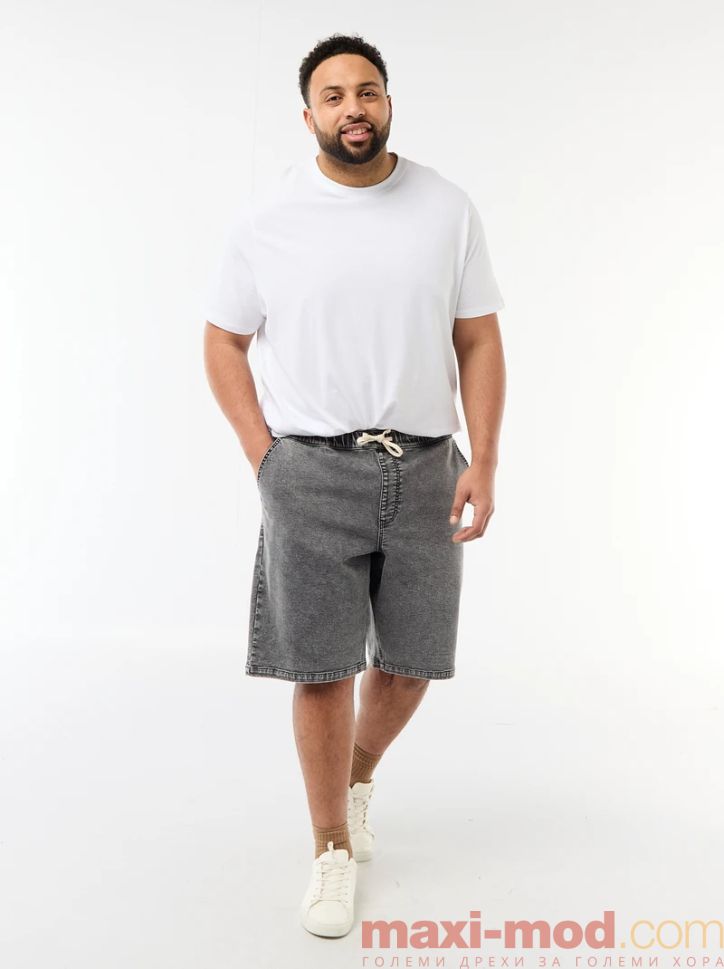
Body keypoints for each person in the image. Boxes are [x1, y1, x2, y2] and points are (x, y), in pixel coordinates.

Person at [202, 32, 506, 939]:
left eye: (367, 91)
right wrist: (265, 457)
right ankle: (330, 843)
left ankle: (357, 774)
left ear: (388, 103)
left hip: (426, 466)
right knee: (324, 670)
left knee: (412, 663)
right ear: (309, 117)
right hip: (309, 471)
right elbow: (222, 340)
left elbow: (479, 337)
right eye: (333, 96)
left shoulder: (445, 207)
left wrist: (485, 458)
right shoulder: (268, 218)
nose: (353, 108)